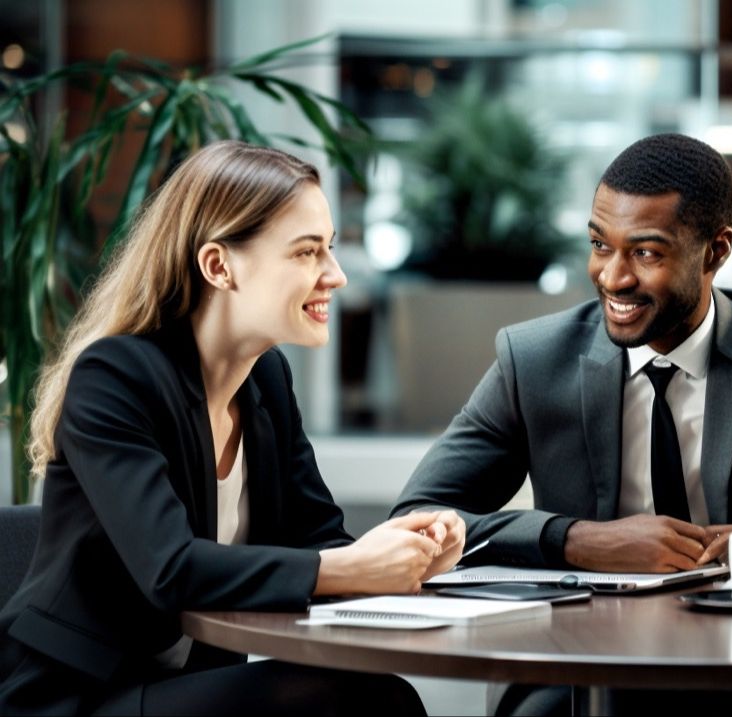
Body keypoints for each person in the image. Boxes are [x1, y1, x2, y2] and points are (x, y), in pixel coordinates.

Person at [393, 133, 732, 714]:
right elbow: (413, 523)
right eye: (601, 245)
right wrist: (576, 541)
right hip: (578, 671)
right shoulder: (534, 361)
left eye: (645, 253)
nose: (612, 277)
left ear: (716, 252)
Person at [0, 141, 465, 716]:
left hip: (181, 684)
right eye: (306, 253)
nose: (336, 276)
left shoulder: (266, 379)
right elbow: (170, 570)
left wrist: (405, 554)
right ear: (219, 265)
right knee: (368, 700)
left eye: (331, 250)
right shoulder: (115, 377)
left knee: (372, 694)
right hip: (82, 695)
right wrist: (349, 567)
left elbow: (320, 543)